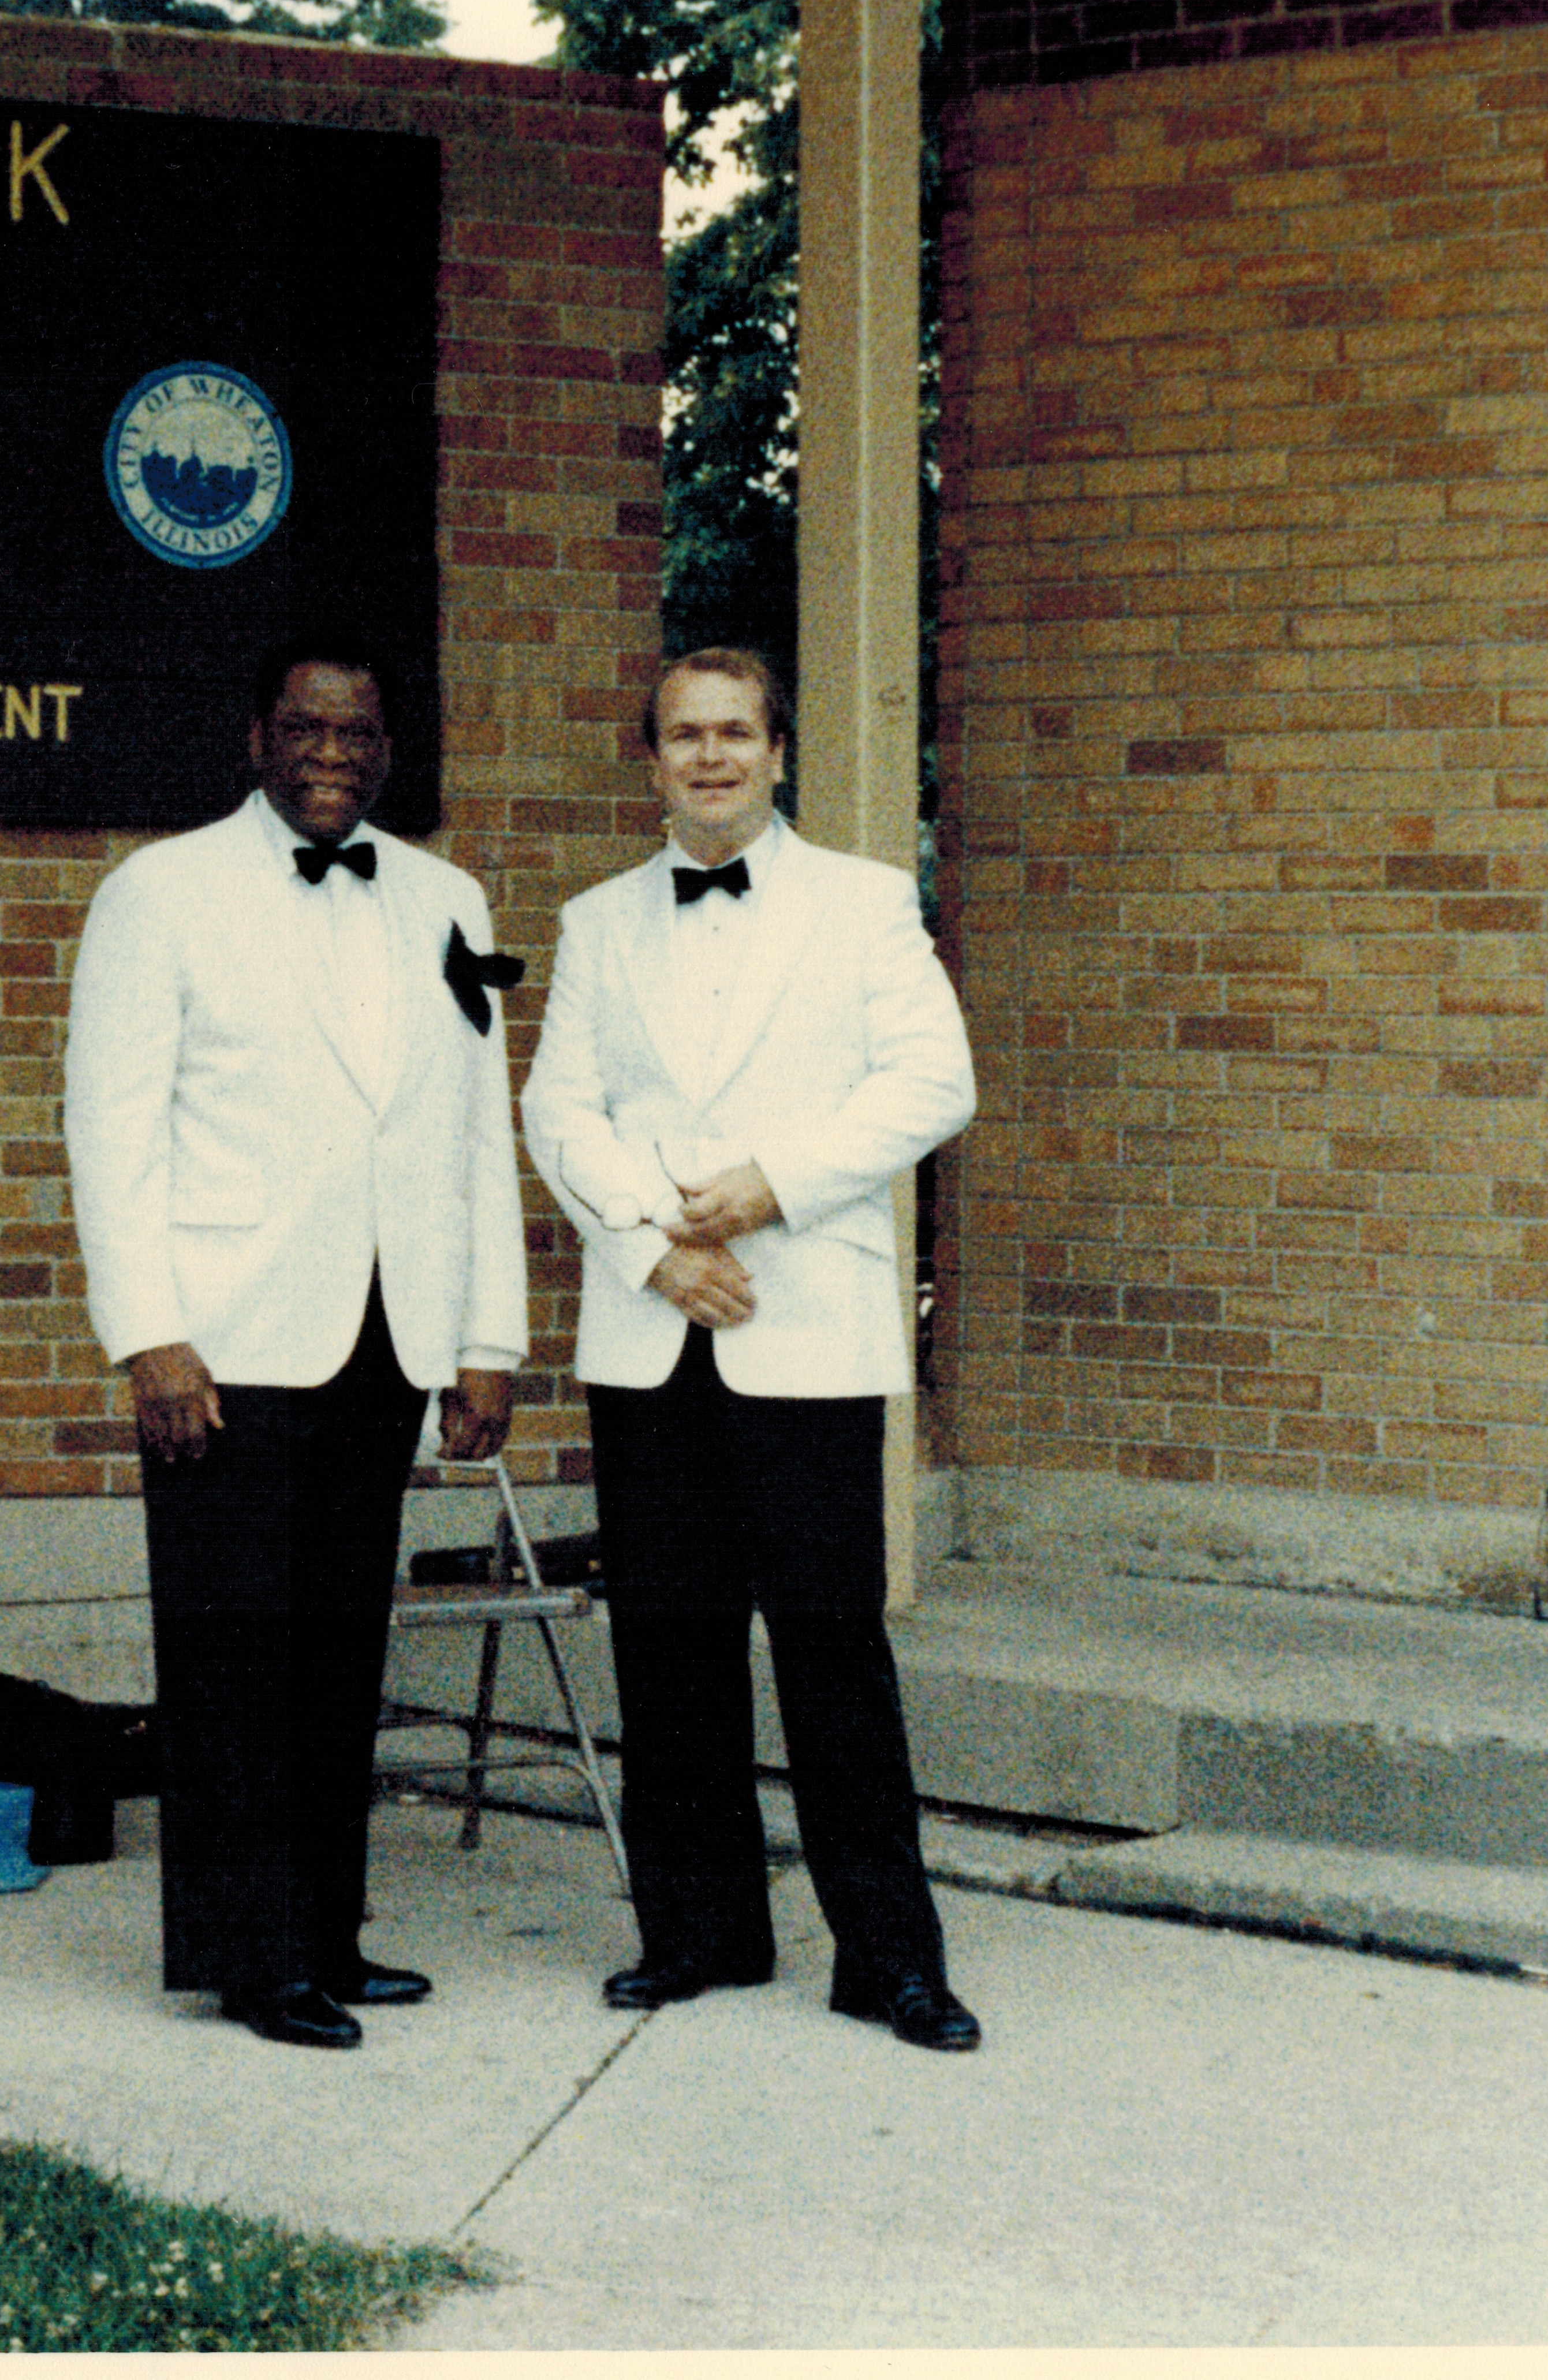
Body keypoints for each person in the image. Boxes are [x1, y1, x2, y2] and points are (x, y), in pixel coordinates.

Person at [63, 635, 528, 2050]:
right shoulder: (161, 893)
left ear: (392, 748)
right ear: (255, 735)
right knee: (230, 1658)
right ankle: (247, 1956)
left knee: (339, 1653)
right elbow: (111, 1124)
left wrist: (487, 1337)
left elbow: (471, 1135)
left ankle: (329, 1933)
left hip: (390, 1336)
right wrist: (149, 1337)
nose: (335, 756)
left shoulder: (446, 898)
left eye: (361, 734)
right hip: (228, 1340)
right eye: (307, 730)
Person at [520, 646, 983, 2052]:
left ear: (779, 751)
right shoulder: (599, 920)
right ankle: (701, 1934)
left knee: (832, 1650)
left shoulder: (861, 902)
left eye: (734, 733)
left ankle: (888, 1959)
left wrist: (776, 1183)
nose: (709, 757)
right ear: (650, 760)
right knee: (670, 1648)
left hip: (809, 1335)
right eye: (682, 737)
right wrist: (656, 1247)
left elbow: (934, 1080)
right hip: (654, 1328)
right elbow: (560, 1108)